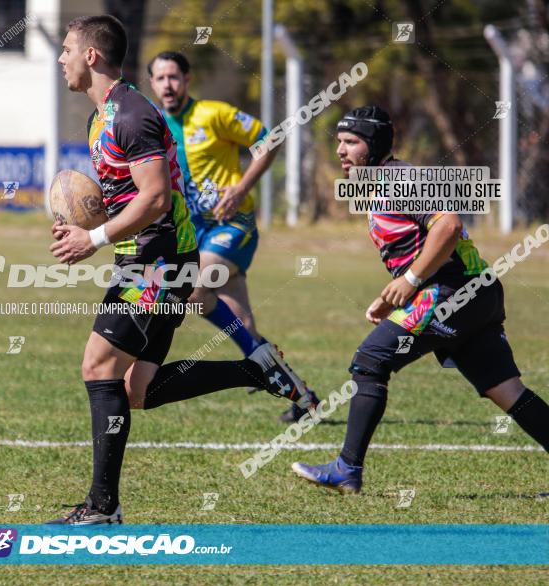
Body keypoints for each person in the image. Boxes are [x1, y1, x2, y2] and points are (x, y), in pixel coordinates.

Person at [47, 15, 316, 524]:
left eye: (66, 49)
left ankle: (103, 508)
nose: (60, 58)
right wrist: (84, 224)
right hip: (147, 259)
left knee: (97, 368)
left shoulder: (132, 114)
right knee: (136, 391)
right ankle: (254, 368)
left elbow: (154, 199)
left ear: (91, 56)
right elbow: (127, 199)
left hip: (159, 263)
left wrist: (95, 238)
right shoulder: (98, 119)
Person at [292, 105, 549, 494]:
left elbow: (449, 225)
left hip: (453, 292)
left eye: (351, 142)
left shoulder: (401, 178)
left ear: (374, 144)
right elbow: (416, 246)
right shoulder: (380, 183)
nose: (341, 151)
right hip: (472, 292)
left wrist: (411, 281)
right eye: (339, 142)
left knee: (370, 360)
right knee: (506, 390)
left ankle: (347, 468)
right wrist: (391, 294)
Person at [148, 51, 318, 422]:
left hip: (232, 225)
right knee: (245, 331)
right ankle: (303, 396)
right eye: (160, 79)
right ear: (151, 85)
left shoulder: (214, 114)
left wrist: (241, 188)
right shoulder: (154, 125)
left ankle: (272, 375)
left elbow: (269, 140)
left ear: (188, 79)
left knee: (193, 288)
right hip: (195, 235)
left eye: (174, 76)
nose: (167, 85)